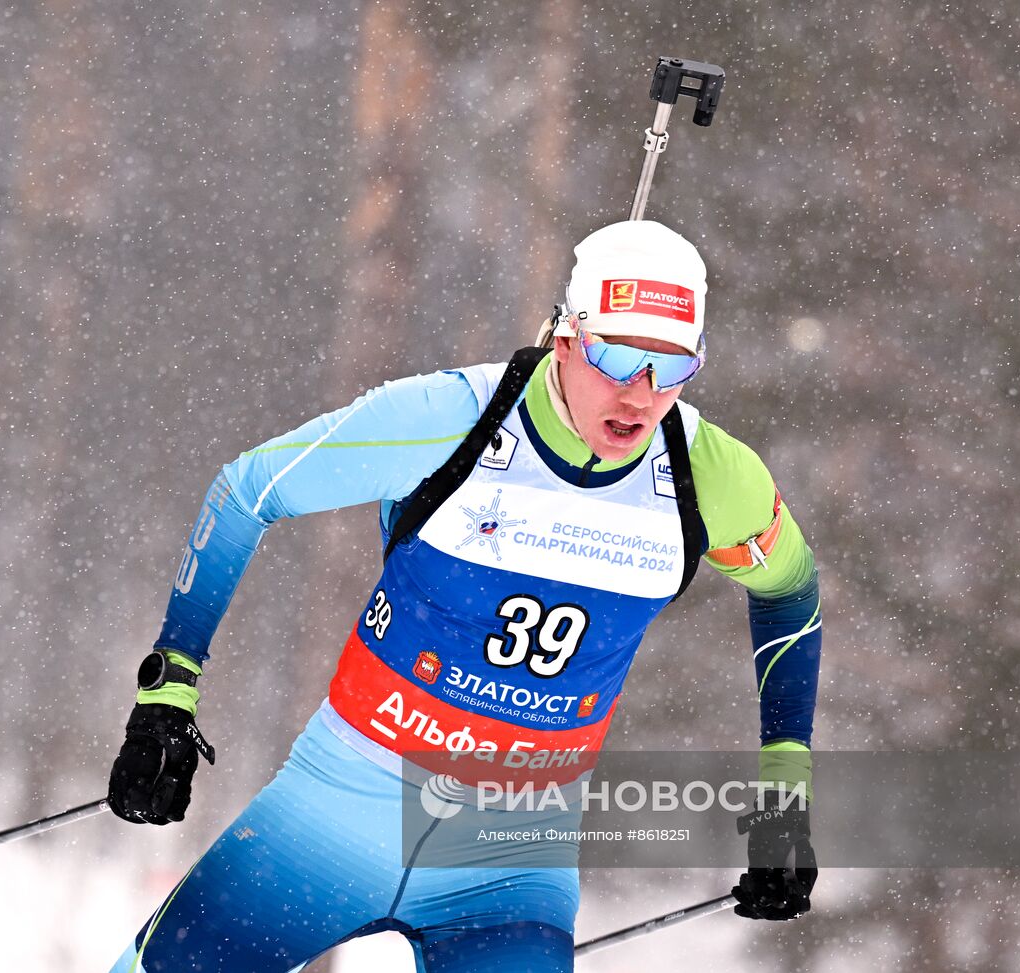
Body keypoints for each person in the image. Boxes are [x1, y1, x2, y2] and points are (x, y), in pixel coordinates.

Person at [106, 220, 823, 972]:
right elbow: (247, 490)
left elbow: (790, 594)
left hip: (511, 863)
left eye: (672, 367)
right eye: (617, 356)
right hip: (338, 813)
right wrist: (170, 691)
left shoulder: (710, 476)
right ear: (566, 338)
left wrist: (785, 794)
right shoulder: (452, 420)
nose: (640, 394)